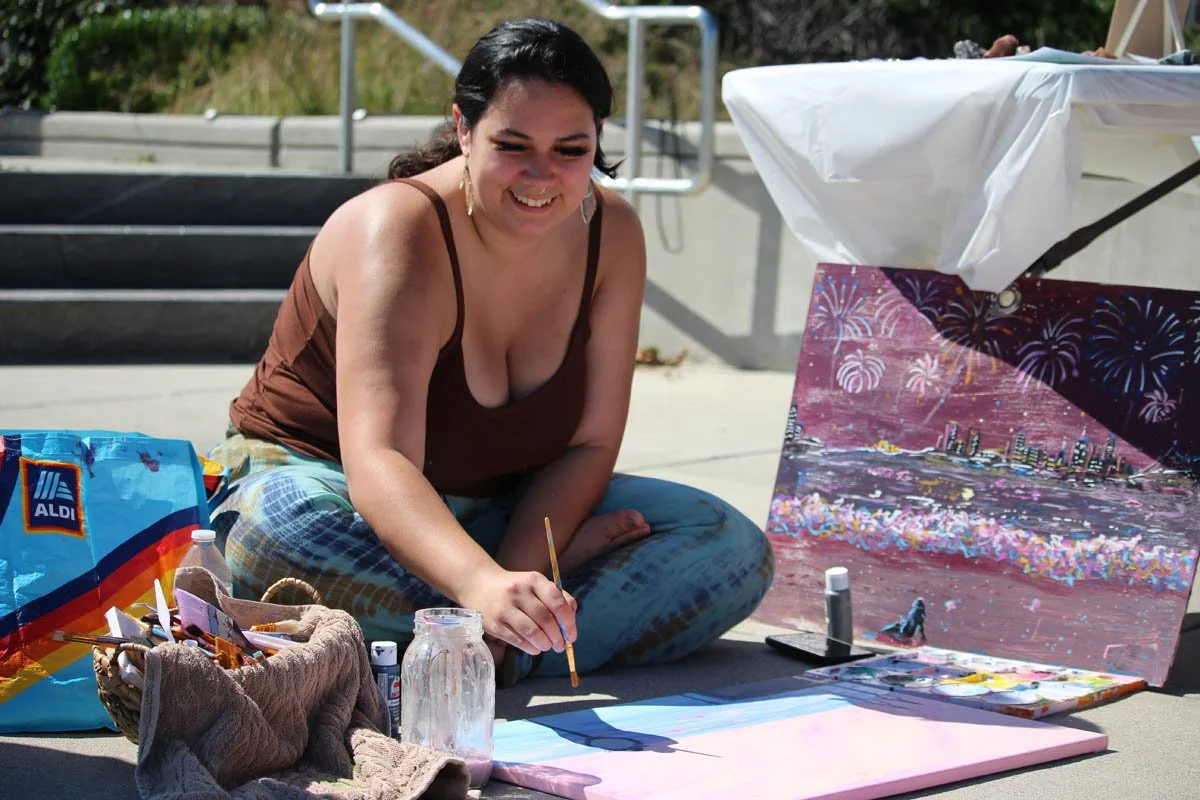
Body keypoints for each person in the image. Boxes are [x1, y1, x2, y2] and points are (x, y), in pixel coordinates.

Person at [208, 17, 774, 684]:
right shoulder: (398, 227)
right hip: (336, 490)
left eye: (571, 149)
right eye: (513, 144)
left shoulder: (611, 232)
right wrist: (484, 581)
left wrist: (516, 568)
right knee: (267, 537)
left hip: (504, 509)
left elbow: (589, 446)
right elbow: (380, 460)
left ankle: (469, 645)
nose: (542, 175)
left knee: (731, 549)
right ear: (463, 130)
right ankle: (512, 635)